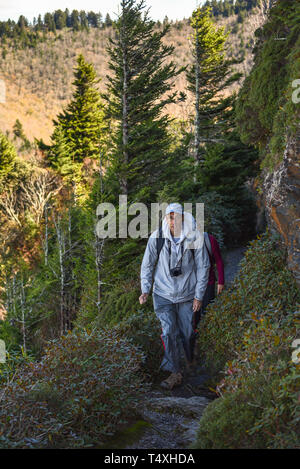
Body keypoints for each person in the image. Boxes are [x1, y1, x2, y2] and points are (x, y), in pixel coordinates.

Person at [139, 203, 210, 390]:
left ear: (183, 218)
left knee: (187, 333)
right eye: (170, 217)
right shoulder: (157, 238)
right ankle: (174, 372)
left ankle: (190, 361)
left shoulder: (194, 237)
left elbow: (204, 267)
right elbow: (147, 265)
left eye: (176, 217)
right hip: (162, 293)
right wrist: (145, 289)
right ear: (165, 219)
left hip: (187, 294)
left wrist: (199, 296)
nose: (173, 221)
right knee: (169, 331)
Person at [189, 232, 225, 367]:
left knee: (207, 312)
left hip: (208, 284)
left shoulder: (210, 240)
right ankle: (194, 350)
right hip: (190, 287)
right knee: (193, 317)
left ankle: (209, 345)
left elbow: (219, 260)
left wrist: (221, 281)